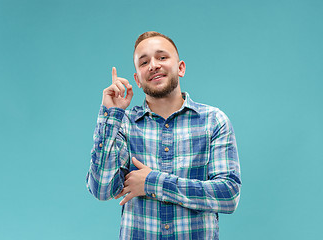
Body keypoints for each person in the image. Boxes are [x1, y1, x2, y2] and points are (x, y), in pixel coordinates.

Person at [86, 31, 241, 239]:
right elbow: (102, 190)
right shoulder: (124, 124)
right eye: (144, 62)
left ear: (181, 68)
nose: (153, 65)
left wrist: (152, 182)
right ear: (137, 80)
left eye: (162, 57)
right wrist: (110, 117)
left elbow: (228, 195)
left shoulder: (214, 121)